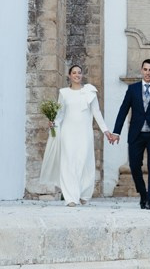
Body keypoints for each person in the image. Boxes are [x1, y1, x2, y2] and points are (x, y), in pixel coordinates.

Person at [41, 63, 115, 206]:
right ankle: (70, 198)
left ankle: (84, 194)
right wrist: (53, 124)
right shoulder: (63, 93)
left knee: (84, 162)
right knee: (68, 163)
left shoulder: (90, 92)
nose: (77, 75)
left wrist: (106, 131)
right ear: (69, 75)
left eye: (79, 72)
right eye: (74, 73)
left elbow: (97, 113)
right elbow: (60, 115)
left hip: (84, 133)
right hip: (67, 133)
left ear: (82, 75)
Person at [111, 58, 150, 210]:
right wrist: (116, 132)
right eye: (145, 69)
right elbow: (123, 110)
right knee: (134, 166)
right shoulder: (132, 89)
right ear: (141, 70)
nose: (148, 73)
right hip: (136, 134)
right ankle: (143, 194)